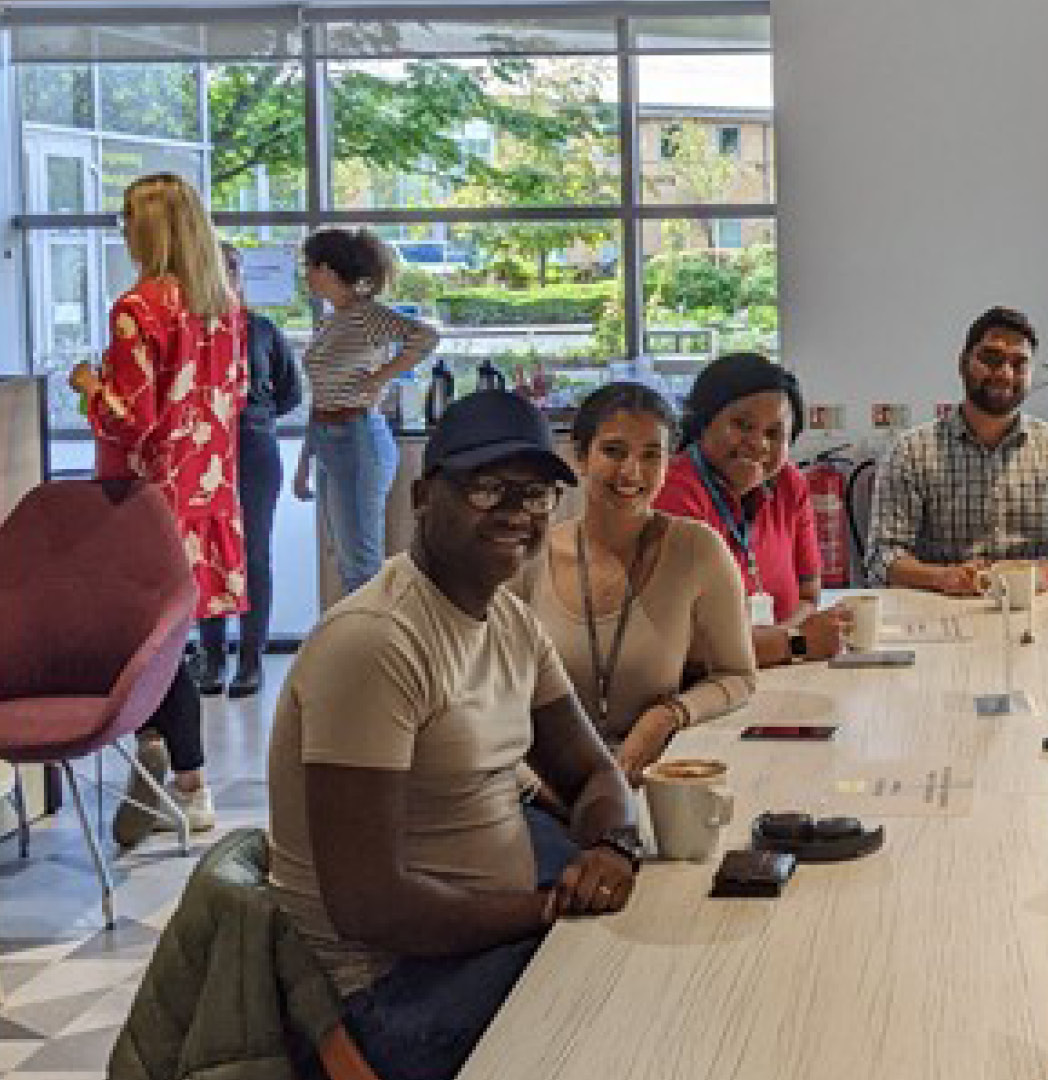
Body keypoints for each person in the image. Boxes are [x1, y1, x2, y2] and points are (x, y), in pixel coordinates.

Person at [267, 390, 642, 1080]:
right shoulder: (375, 642)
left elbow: (594, 774)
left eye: (535, 496)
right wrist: (547, 909)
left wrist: (612, 847)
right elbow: (371, 907)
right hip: (389, 996)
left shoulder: (507, 622)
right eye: (487, 487)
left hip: (477, 943)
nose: (516, 514)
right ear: (421, 494)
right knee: (627, 999)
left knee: (655, 934)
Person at [68, 173, 242, 846]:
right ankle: (165, 760)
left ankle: (183, 776)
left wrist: (89, 386)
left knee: (151, 644)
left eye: (126, 219)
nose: (120, 229)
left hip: (143, 504)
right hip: (204, 496)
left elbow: (131, 420)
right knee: (172, 639)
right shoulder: (225, 307)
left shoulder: (138, 309)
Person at [518, 382, 756, 782]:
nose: (632, 472)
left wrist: (667, 716)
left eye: (651, 456)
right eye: (613, 451)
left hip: (655, 776)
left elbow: (738, 677)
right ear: (579, 456)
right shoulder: (529, 556)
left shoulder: (697, 549)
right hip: (546, 786)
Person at [866, 306, 1048, 594]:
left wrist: (1045, 575)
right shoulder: (910, 452)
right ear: (963, 364)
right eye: (991, 358)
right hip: (942, 614)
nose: (1005, 374)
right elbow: (882, 558)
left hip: (1038, 611)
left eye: (1019, 363)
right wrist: (942, 577)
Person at [653, 353, 850, 666]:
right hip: (703, 687)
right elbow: (684, 640)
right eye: (742, 426)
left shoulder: (790, 484)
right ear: (705, 422)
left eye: (774, 434)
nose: (759, 444)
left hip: (777, 671)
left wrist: (778, 641)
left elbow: (809, 595)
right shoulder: (675, 492)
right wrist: (792, 643)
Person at [300, 227, 439, 595]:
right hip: (330, 438)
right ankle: (362, 638)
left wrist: (381, 377)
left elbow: (426, 337)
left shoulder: (366, 316)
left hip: (359, 435)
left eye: (308, 266)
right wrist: (304, 464)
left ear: (327, 270)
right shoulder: (330, 321)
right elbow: (320, 396)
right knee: (346, 557)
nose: (306, 276)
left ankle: (372, 642)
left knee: (361, 558)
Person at [192, 242, 301, 699]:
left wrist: (254, 416)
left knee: (253, 553)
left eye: (233, 268)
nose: (229, 275)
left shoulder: (260, 329)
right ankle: (213, 657)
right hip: (201, 449)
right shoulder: (191, 329)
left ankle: (251, 660)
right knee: (207, 551)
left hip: (253, 445)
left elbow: (290, 393)